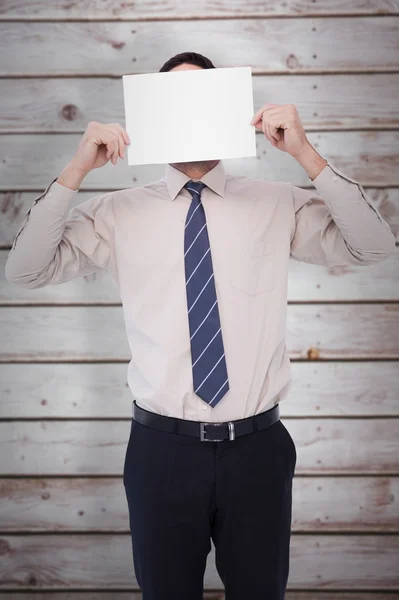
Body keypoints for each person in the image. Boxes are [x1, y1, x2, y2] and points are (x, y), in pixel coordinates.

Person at [5, 51, 395, 600]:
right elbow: (24, 270)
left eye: (202, 98)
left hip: (257, 451)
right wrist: (77, 170)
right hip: (161, 451)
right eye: (173, 102)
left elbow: (374, 245)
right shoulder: (117, 213)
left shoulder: (276, 203)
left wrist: (306, 154)